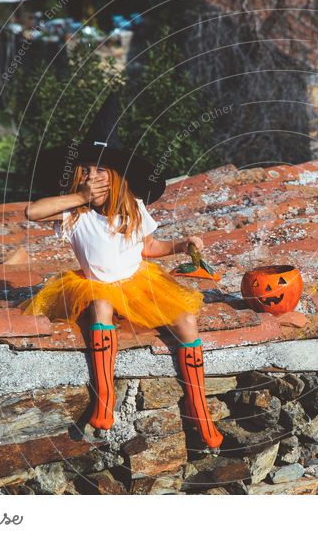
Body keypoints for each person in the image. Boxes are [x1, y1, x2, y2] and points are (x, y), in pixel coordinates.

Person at [18, 93, 223, 449]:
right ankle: (104, 403)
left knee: (187, 321)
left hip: (139, 281)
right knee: (101, 307)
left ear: (115, 177)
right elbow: (31, 212)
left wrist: (181, 246)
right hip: (96, 285)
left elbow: (149, 248)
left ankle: (199, 410)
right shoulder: (74, 214)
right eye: (86, 170)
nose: (93, 177)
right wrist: (80, 197)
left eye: (100, 171)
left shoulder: (133, 209)